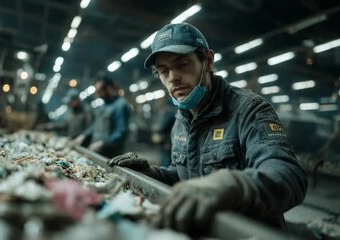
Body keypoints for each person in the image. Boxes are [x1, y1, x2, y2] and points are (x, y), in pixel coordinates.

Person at [108, 22, 307, 236]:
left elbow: (289, 177)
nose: (173, 77)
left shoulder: (248, 109)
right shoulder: (181, 119)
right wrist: (155, 174)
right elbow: (184, 176)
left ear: (208, 61)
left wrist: (229, 185)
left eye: (182, 64)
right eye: (163, 71)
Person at [73, 77, 130, 158]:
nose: (97, 94)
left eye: (100, 91)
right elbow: (95, 124)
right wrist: (84, 135)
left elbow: (121, 131)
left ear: (109, 88)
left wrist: (104, 143)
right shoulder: (103, 105)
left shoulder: (121, 105)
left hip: (111, 154)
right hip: (96, 150)